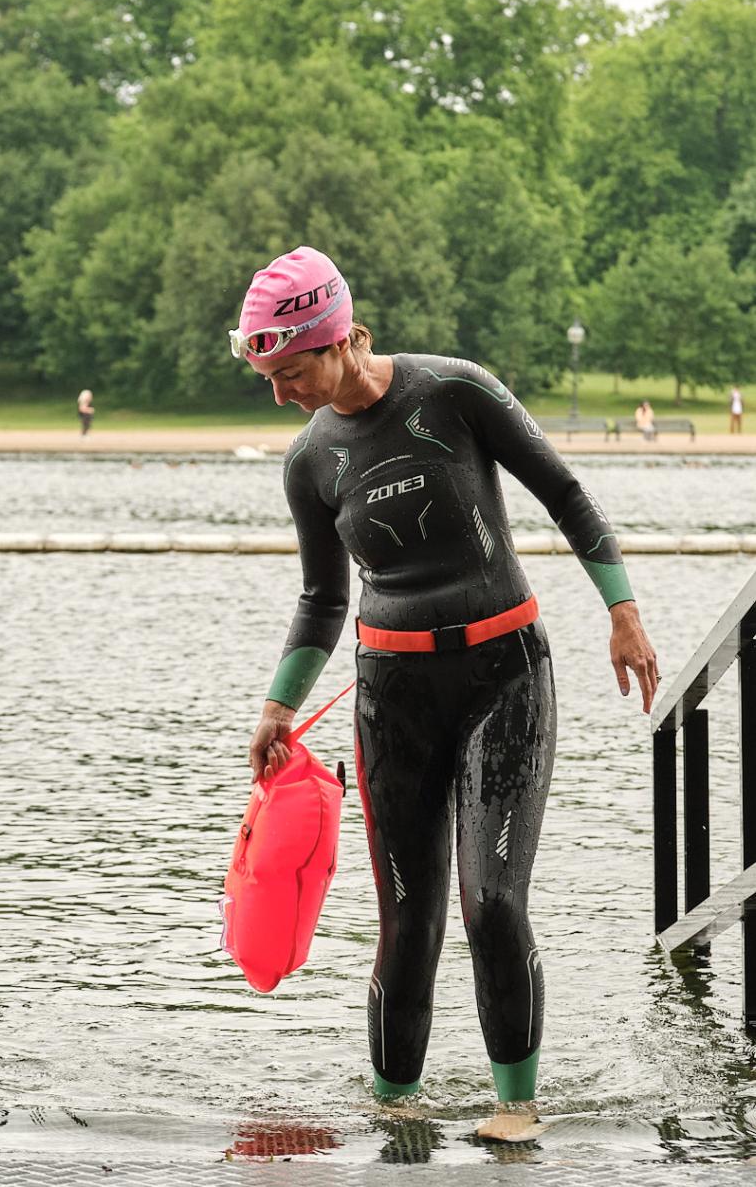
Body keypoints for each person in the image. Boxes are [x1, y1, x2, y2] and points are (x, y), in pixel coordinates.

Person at [231, 247, 659, 1142]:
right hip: (392, 696)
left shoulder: (455, 393)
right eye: (268, 377)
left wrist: (622, 612)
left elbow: (566, 493)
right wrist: (277, 705)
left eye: (293, 369)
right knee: (406, 918)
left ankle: (517, 1107)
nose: (282, 394)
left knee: (491, 902)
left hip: (505, 677)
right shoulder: (311, 462)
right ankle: (397, 1111)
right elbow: (321, 598)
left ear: (348, 339)